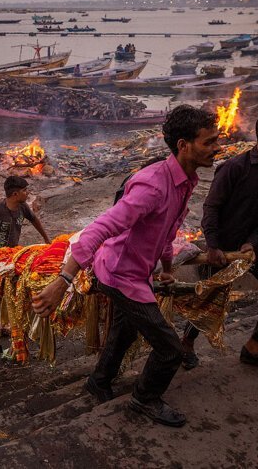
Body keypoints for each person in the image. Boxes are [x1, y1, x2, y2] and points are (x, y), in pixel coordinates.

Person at [32, 105, 221, 428]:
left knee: (124, 332)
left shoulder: (186, 180)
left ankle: (99, 381)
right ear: (183, 146)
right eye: (209, 142)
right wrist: (62, 280)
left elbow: (167, 230)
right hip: (120, 275)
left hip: (135, 271)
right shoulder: (152, 185)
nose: (217, 148)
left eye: (217, 140)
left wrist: (165, 268)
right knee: (170, 349)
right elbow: (99, 229)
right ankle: (145, 398)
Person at [181, 103, 258, 372]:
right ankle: (186, 345)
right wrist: (212, 245)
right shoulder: (233, 168)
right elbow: (211, 208)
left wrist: (254, 240)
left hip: (254, 247)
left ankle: (254, 347)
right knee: (209, 300)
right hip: (221, 248)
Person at [0, 176, 50, 250]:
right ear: (15, 194)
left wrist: (46, 238)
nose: (27, 193)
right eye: (24, 190)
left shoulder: (23, 206)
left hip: (12, 252)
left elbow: (34, 219)